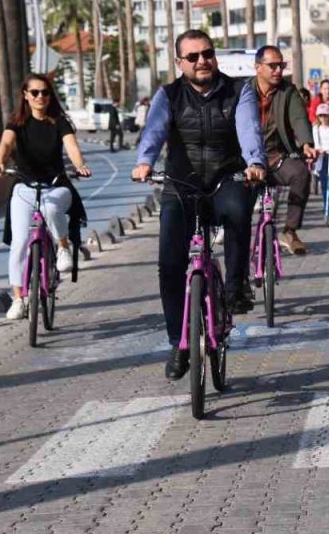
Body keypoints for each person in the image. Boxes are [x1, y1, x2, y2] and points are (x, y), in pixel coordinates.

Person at [132, 29, 266, 380]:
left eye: (207, 54)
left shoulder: (240, 89)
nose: (202, 61)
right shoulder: (169, 94)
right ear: (180, 63)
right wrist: (145, 161)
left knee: (238, 211)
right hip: (181, 184)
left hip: (226, 177)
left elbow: (248, 128)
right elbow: (155, 131)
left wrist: (255, 162)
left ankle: (236, 288)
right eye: (192, 57)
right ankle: (179, 344)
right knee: (168, 264)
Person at [0, 74, 92, 320]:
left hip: (57, 185)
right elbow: (6, 144)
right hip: (25, 187)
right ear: (25, 95)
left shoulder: (59, 122)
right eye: (34, 92)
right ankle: (18, 299)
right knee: (19, 243)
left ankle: (63, 247)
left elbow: (72, 147)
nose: (40, 97)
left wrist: (80, 165)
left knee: (51, 208)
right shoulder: (17, 122)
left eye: (44, 92)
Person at [250, 45, 317, 255]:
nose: (279, 70)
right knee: (236, 204)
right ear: (258, 68)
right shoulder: (243, 91)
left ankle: (290, 230)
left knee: (301, 174)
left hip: (278, 157)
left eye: (281, 65)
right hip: (248, 160)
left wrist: (306, 143)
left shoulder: (288, 91)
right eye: (273, 66)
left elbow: (299, 118)